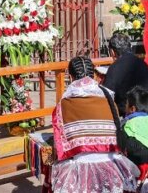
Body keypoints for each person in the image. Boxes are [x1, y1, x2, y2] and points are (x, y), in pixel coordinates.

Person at [51, 55, 139, 192]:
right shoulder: (107, 96)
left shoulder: (64, 103)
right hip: (113, 165)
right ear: (93, 75)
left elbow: (60, 146)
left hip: (81, 168)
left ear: (71, 77)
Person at [104, 32, 148, 118]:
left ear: (112, 52)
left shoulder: (114, 68)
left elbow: (106, 97)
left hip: (132, 119)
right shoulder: (144, 64)